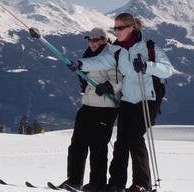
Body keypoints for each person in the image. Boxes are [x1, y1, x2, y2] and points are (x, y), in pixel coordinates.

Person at [66, 13, 174, 192]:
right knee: (121, 140)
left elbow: (168, 69)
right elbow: (101, 61)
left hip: (148, 98)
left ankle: (141, 184)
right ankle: (116, 184)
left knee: (135, 137)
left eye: (120, 28)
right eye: (115, 28)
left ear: (131, 28)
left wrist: (147, 66)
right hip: (128, 99)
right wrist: (81, 64)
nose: (116, 31)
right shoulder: (117, 50)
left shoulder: (149, 48)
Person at [58, 27, 123, 192]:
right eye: (89, 40)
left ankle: (97, 184)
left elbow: (119, 79)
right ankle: (73, 181)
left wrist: (109, 86)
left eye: (95, 40)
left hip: (106, 108)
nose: (91, 43)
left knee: (98, 147)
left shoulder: (111, 55)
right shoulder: (88, 55)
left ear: (104, 40)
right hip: (88, 105)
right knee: (77, 145)